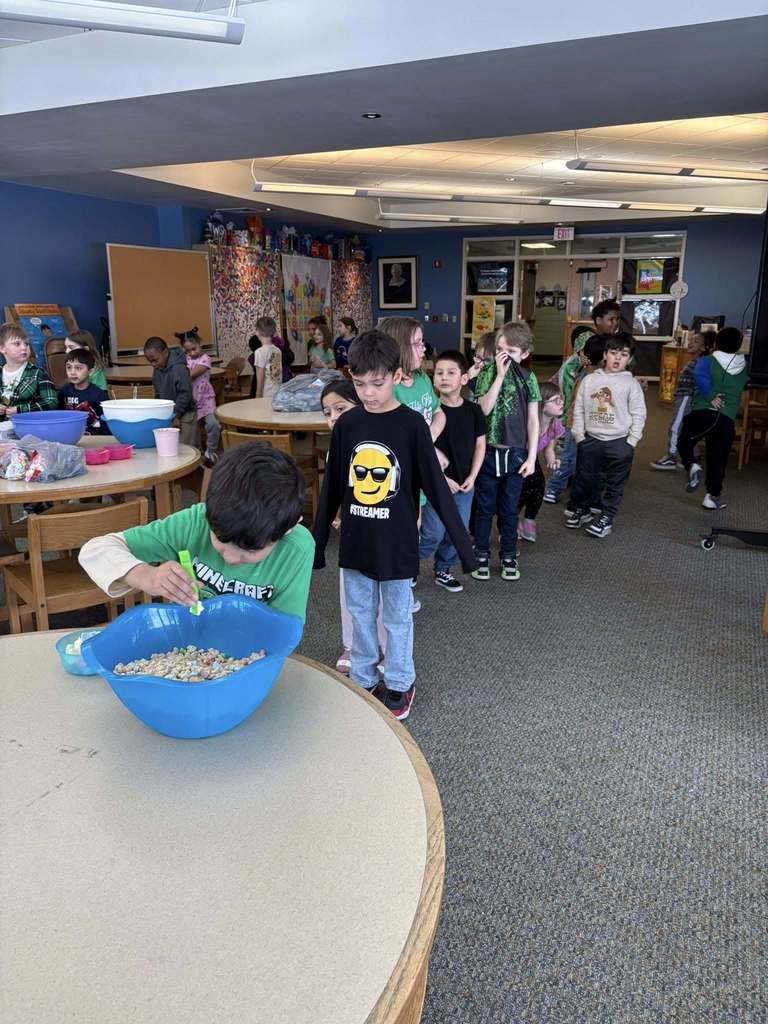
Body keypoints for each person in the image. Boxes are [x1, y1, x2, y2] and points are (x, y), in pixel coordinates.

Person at [313, 330, 475, 720]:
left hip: (398, 542)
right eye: (359, 383)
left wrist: (465, 548)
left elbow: (435, 487)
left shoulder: (411, 425)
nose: (368, 392)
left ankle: (401, 681)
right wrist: (318, 542)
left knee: (397, 618)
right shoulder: (348, 425)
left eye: (378, 383)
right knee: (359, 613)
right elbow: (334, 483)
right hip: (357, 542)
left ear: (397, 375)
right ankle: (365, 675)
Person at [78, 443, 315, 620]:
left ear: (289, 528)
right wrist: (146, 576)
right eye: (220, 539)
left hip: (253, 653)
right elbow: (95, 550)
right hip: (184, 643)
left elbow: (286, 628)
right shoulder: (196, 522)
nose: (230, 558)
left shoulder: (296, 548)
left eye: (249, 551)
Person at [320, 378, 388, 674]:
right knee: (350, 590)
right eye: (327, 412)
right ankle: (351, 643)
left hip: (383, 530)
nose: (334, 417)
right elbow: (333, 489)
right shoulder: (334, 447)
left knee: (385, 593)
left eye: (341, 408)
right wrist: (336, 515)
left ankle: (386, 646)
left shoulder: (379, 441)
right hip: (352, 533)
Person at [471, 322, 540, 581]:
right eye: (500, 349)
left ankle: (509, 553)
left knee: (510, 509)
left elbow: (534, 421)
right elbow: (484, 410)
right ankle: (481, 554)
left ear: (524, 353)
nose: (503, 355)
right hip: (488, 453)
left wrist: (532, 457)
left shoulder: (529, 377)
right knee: (485, 508)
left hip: (515, 455)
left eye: (510, 351)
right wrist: (499, 375)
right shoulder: (488, 373)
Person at [418, 350, 486, 593]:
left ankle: (443, 569)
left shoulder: (473, 411)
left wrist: (472, 477)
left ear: (464, 378)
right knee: (432, 533)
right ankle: (408, 567)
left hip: (465, 485)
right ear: (433, 379)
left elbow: (480, 444)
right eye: (439, 373)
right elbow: (424, 453)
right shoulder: (430, 415)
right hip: (437, 485)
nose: (444, 377)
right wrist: (443, 479)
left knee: (457, 531)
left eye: (451, 372)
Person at [567, 333, 646, 538]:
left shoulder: (632, 384)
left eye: (623, 354)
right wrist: (579, 436)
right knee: (585, 478)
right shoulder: (590, 380)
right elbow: (579, 409)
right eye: (613, 353)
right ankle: (583, 509)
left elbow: (639, 414)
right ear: (605, 355)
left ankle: (607, 517)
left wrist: (631, 441)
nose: (617, 358)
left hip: (620, 442)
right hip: (590, 439)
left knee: (614, 482)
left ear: (629, 359)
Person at [677, 326, 747, 510]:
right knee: (718, 458)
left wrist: (710, 396)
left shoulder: (708, 360)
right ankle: (712, 496)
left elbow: (699, 376)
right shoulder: (745, 365)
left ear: (716, 343)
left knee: (684, 441)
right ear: (739, 344)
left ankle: (692, 465)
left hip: (704, 411)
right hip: (727, 419)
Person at [544, 323, 613, 504]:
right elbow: (566, 400)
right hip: (573, 421)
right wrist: (561, 422)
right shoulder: (576, 370)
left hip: (591, 423)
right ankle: (553, 487)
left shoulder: (589, 369)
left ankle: (590, 494)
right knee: (569, 456)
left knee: (588, 459)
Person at [650, 330, 716, 470]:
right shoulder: (697, 361)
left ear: (704, 347)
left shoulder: (700, 362)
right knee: (686, 429)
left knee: (675, 427)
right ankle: (694, 457)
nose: (691, 343)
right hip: (684, 397)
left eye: (696, 341)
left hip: (687, 398)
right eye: (691, 340)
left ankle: (671, 457)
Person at [379, 316, 446, 441]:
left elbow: (438, 412)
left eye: (422, 342)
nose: (424, 348)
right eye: (417, 343)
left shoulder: (422, 377)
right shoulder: (388, 390)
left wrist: (433, 433)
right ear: (397, 348)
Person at [518, 382, 565, 542]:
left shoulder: (555, 425)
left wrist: (553, 461)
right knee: (519, 491)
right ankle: (511, 520)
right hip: (516, 457)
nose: (562, 403)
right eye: (556, 400)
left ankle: (529, 519)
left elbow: (549, 449)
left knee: (539, 487)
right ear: (541, 404)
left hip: (532, 459)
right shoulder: (527, 422)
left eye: (562, 398)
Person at [143, 336, 198, 449]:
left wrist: (176, 415)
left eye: (155, 360)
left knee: (187, 450)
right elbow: (158, 394)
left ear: (166, 352)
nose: (153, 364)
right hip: (170, 416)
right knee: (172, 449)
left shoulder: (179, 368)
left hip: (185, 415)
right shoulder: (158, 369)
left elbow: (185, 394)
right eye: (150, 361)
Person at [177, 328, 220, 466]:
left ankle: (211, 451)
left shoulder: (205, 359)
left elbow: (190, 375)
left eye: (194, 349)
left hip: (206, 399)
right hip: (192, 400)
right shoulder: (185, 360)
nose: (191, 353)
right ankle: (196, 455)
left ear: (200, 344)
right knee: (192, 431)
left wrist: (181, 374)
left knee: (213, 424)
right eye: (187, 351)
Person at [0, 322, 57, 420]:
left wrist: (21, 409)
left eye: (26, 344)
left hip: (27, 426)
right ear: (2, 349)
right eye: (17, 344)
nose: (24, 348)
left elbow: (51, 402)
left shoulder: (38, 373)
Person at [57, 347, 109, 434]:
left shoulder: (99, 395)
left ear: (90, 371)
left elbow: (106, 425)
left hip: (94, 439)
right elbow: (59, 416)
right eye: (69, 367)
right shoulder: (64, 391)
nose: (72, 372)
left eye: (78, 368)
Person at [247, 319, 283, 403]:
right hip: (278, 392)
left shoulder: (259, 352)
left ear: (260, 332)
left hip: (266, 394)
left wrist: (258, 395)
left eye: (256, 329)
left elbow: (260, 376)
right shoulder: (277, 350)